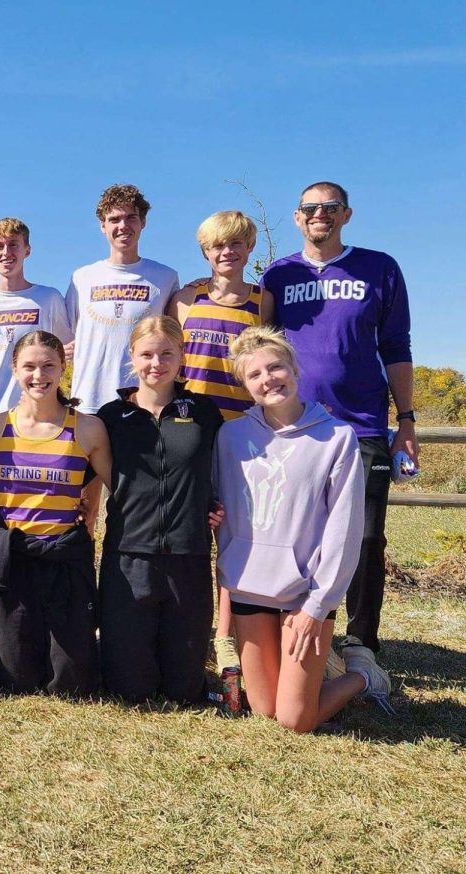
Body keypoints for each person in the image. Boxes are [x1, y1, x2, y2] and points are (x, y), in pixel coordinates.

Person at [262, 181, 416, 671]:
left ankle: (361, 642)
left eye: (329, 207)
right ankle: (299, 627)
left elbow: (396, 347)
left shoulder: (379, 267)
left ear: (346, 214)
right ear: (297, 217)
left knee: (367, 538)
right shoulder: (278, 274)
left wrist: (406, 420)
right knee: (299, 534)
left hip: (362, 425)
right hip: (295, 427)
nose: (319, 215)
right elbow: (261, 346)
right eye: (310, 208)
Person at [213, 326, 392, 732]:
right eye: (254, 375)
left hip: (304, 593)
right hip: (250, 587)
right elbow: (217, 506)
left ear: (294, 368)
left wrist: (318, 604)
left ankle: (363, 676)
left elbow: (345, 530)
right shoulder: (230, 436)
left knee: (295, 720)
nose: (267, 379)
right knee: (263, 709)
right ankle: (312, 671)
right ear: (245, 385)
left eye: (275, 368)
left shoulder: (337, 438)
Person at [96, 316, 224, 704]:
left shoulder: (204, 412)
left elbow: (221, 472)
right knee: (129, 690)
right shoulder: (110, 417)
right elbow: (80, 479)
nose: (157, 363)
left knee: (184, 690)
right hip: (128, 557)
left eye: (167, 353)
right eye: (147, 354)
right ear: (132, 357)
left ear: (182, 356)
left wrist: (216, 506)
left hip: (189, 555)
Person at [168, 209, 275, 670]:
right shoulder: (185, 299)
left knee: (235, 531)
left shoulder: (262, 301)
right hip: (192, 428)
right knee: (193, 526)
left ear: (248, 248)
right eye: (217, 246)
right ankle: (187, 621)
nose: (226, 252)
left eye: (235, 244)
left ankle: (226, 633)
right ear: (205, 252)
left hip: (242, 431)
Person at [0, 330, 112, 695]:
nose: (39, 375)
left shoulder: (87, 427)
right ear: (14, 369)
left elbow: (115, 481)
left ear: (63, 367)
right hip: (13, 555)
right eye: (29, 366)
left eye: (48, 365)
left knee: (71, 682)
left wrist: (93, 503)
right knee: (13, 680)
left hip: (63, 555)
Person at [63, 184, 178, 414]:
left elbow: (173, 337)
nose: (123, 226)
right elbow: (70, 337)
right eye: (114, 219)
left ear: (143, 222)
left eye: (131, 218)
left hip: (142, 403)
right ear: (102, 226)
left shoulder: (165, 277)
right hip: (88, 402)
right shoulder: (82, 278)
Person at [0, 218, 68, 431]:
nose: (6, 252)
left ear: (27, 250)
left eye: (13, 244)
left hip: (34, 421)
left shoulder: (48, 298)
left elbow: (65, 351)